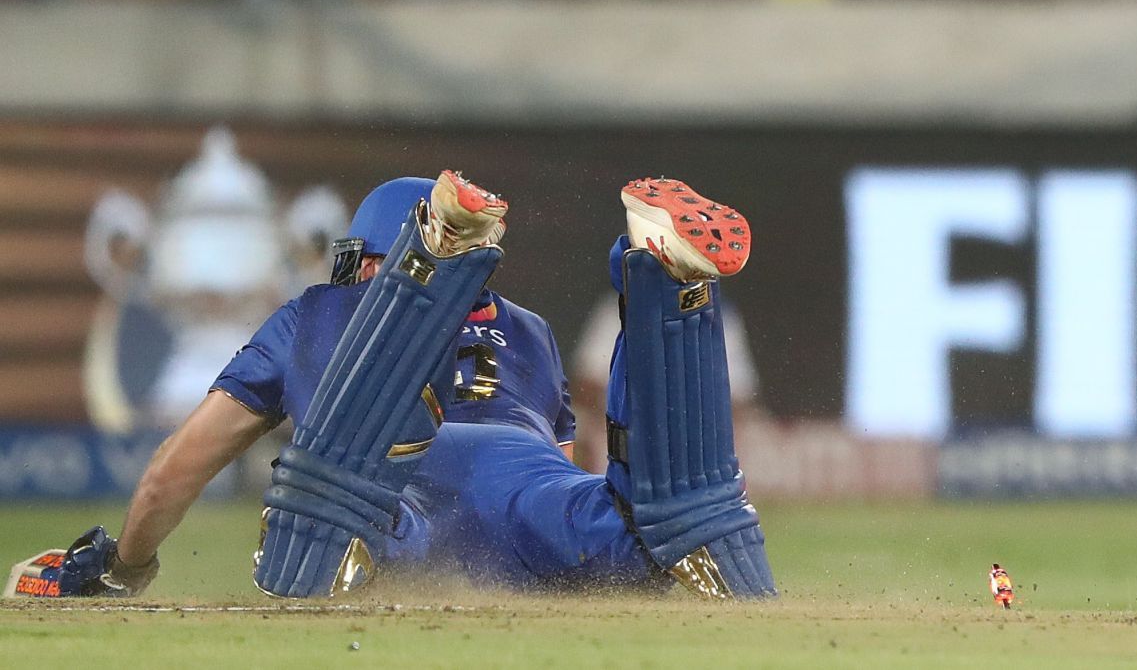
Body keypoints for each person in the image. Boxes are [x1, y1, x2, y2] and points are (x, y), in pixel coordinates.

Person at [11, 170, 772, 599]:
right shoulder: (531, 329)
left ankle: (427, 270)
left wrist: (124, 565)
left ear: (371, 257)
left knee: (313, 540)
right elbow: (563, 468)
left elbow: (171, 473)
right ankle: (665, 284)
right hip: (529, 484)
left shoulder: (313, 312)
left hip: (398, 488)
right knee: (642, 540)